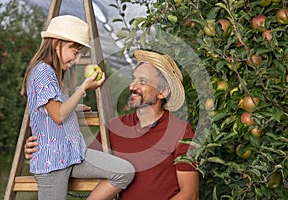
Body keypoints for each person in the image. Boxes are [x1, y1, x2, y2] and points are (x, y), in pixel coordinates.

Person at [25, 50, 199, 200]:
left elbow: (189, 195)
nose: (132, 86)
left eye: (143, 81)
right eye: (133, 79)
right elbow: (73, 162)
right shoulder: (115, 128)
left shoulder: (180, 131)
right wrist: (39, 145)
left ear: (163, 92)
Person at [20, 15, 134, 200]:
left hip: (74, 154)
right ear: (57, 43)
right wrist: (83, 88)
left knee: (124, 172)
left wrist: (75, 107)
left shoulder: (56, 76)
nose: (75, 59)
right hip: (52, 162)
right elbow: (57, 115)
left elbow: (54, 110)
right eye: (75, 51)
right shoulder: (42, 71)